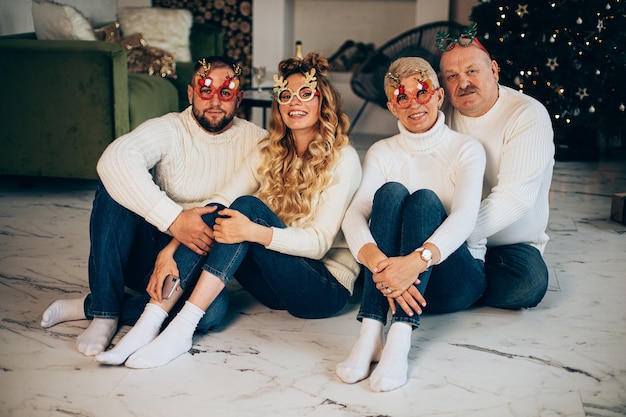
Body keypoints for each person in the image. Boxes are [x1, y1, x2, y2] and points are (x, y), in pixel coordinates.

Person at [93, 51, 363, 369]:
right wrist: (174, 243)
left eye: (306, 94)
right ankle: (148, 323)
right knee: (220, 210)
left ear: (323, 101)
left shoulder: (344, 158)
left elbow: (318, 243)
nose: (294, 102)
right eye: (286, 94)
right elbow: (219, 201)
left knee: (246, 209)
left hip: (322, 288)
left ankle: (179, 329)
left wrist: (254, 231)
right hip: (274, 286)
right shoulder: (270, 150)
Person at [40, 56, 268, 357]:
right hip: (144, 249)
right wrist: (174, 220)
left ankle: (92, 304)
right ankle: (105, 314)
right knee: (115, 183)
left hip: (197, 256)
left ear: (238, 98)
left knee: (213, 312)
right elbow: (114, 158)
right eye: (205, 91)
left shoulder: (257, 141)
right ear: (190, 94)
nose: (215, 101)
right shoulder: (169, 128)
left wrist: (173, 248)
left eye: (225, 93)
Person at [336, 57, 487, 392]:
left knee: (424, 200)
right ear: (392, 106)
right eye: (403, 97)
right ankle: (371, 331)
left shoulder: (467, 149)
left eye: (421, 93)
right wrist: (378, 263)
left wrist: (414, 263)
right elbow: (354, 213)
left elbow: (465, 217)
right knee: (389, 193)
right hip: (389, 279)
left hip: (455, 279)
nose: (414, 104)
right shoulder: (381, 151)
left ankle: (400, 336)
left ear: (437, 95)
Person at [437, 23, 555, 309]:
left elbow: (514, 198)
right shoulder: (440, 114)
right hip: (444, 237)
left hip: (508, 247)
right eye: (452, 76)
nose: (463, 82)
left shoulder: (527, 114)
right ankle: (453, 285)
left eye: (472, 71)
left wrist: (450, 238)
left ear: (494, 70)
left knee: (527, 285)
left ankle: (446, 286)